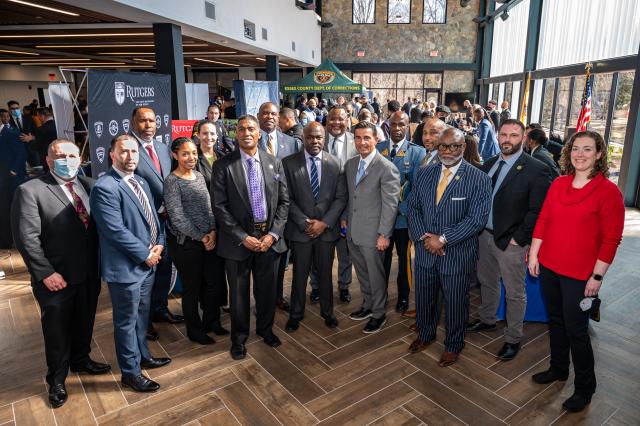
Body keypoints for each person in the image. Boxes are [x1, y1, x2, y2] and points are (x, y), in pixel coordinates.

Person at [528, 131, 624, 413]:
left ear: (599, 154)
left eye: (587, 149)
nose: (580, 154)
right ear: (568, 152)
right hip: (549, 266)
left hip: (580, 275)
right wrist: (534, 253)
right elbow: (544, 220)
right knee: (555, 321)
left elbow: (611, 239)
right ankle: (558, 368)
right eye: (575, 149)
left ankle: (585, 387)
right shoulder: (558, 183)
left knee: (577, 331)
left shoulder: (608, 192)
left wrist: (597, 277)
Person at [11, 139, 110, 408]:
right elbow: (27, 238)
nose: (67, 160)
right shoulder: (30, 190)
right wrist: (45, 273)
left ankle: (81, 359)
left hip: (89, 272)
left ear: (80, 158)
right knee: (56, 332)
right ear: (48, 160)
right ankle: (56, 380)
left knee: (85, 320)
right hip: (55, 278)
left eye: (72, 155)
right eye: (60, 156)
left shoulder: (89, 185)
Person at [90, 135, 171, 392]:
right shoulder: (105, 187)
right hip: (126, 269)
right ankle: (130, 372)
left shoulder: (141, 181)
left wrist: (159, 241)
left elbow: (153, 219)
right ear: (111, 154)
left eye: (134, 151)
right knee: (125, 322)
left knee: (141, 318)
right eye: (123, 151)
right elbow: (115, 231)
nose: (130, 156)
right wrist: (146, 254)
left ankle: (143, 356)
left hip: (148, 264)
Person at [406, 128, 491, 366]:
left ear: (463, 147)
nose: (448, 151)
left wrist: (442, 239)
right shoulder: (424, 174)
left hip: (456, 253)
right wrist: (425, 238)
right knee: (424, 298)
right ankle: (425, 335)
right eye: (443, 146)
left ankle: (453, 345)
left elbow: (476, 220)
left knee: (455, 303)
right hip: (424, 251)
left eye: (454, 146)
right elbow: (412, 207)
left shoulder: (479, 178)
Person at [468, 119, 551, 360]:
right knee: (487, 281)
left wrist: (519, 238)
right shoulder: (490, 164)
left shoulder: (536, 169)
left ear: (524, 139)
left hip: (511, 242)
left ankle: (513, 338)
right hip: (484, 235)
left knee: (515, 292)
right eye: (503, 134)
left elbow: (538, 210)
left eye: (514, 135)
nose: (507, 139)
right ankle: (487, 319)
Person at [211, 114, 289, 360]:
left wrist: (274, 234)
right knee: (239, 296)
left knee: (267, 292)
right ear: (236, 134)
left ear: (259, 134)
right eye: (241, 129)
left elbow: (284, 202)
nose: (246, 132)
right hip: (238, 243)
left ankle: (266, 330)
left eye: (251, 129)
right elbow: (220, 207)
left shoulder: (274, 163)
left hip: (268, 240)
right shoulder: (223, 165)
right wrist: (242, 237)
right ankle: (239, 339)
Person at [283, 122, 347, 331]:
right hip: (300, 231)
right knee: (299, 275)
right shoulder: (288, 163)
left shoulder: (335, 163)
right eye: (310, 137)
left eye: (319, 137)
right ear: (303, 137)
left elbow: (340, 198)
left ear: (325, 138)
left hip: (326, 231)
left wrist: (325, 223)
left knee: (326, 274)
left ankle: (328, 312)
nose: (315, 141)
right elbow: (286, 198)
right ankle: (296, 314)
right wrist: (304, 223)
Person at [164, 137, 227, 345]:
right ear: (175, 156)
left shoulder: (199, 176)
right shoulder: (172, 181)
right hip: (188, 245)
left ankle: (212, 322)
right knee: (192, 289)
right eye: (185, 153)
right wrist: (202, 237)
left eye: (193, 153)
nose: (191, 157)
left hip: (209, 239)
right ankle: (194, 330)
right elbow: (177, 217)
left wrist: (212, 232)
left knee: (212, 284)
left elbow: (209, 208)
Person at [129, 106, 184, 340]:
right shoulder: (127, 149)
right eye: (143, 121)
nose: (148, 125)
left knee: (164, 267)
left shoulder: (163, 148)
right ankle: (145, 319)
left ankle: (160, 309)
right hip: (142, 223)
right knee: (146, 274)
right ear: (133, 123)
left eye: (152, 120)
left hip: (166, 221)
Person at [344, 121, 400, 334]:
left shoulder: (387, 168)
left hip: (374, 234)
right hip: (354, 232)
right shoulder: (350, 165)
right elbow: (349, 197)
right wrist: (344, 220)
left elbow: (390, 205)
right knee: (363, 274)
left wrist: (384, 234)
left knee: (376, 275)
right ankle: (367, 305)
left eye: (367, 137)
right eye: (358, 138)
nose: (362, 142)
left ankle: (378, 313)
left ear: (377, 139)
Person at [376, 112, 426, 313]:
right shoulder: (378, 149)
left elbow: (417, 188)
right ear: (388, 126)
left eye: (401, 125)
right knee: (382, 260)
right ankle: (381, 295)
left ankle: (403, 297)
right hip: (381, 219)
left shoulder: (417, 153)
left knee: (405, 262)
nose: (397, 128)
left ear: (408, 127)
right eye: (393, 124)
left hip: (404, 219)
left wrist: (400, 209)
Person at [257, 102, 300, 312]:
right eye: (265, 113)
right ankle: (261, 300)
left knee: (281, 257)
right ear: (259, 116)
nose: (269, 117)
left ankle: (277, 297)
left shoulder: (291, 143)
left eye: (273, 113)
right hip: (258, 211)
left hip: (284, 211)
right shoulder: (250, 141)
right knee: (260, 262)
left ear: (278, 117)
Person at [320, 105, 357, 303]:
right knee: (320, 254)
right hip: (321, 210)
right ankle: (317, 286)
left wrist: (347, 213)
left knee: (346, 253)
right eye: (332, 119)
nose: (336, 123)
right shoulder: (317, 139)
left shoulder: (356, 142)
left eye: (340, 119)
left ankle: (344, 286)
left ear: (348, 120)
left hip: (348, 209)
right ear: (327, 120)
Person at [7, 100, 37, 167]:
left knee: (37, 169)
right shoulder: (8, 121)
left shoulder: (29, 118)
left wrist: (31, 137)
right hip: (16, 152)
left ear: (19, 108)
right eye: (13, 109)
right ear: (9, 110)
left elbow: (37, 133)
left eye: (17, 108)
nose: (15, 110)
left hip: (31, 150)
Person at [33, 107, 57, 172]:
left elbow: (37, 146)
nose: (38, 119)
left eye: (38, 116)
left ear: (42, 116)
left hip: (47, 159)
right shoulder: (59, 126)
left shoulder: (41, 129)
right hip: (60, 156)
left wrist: (32, 140)